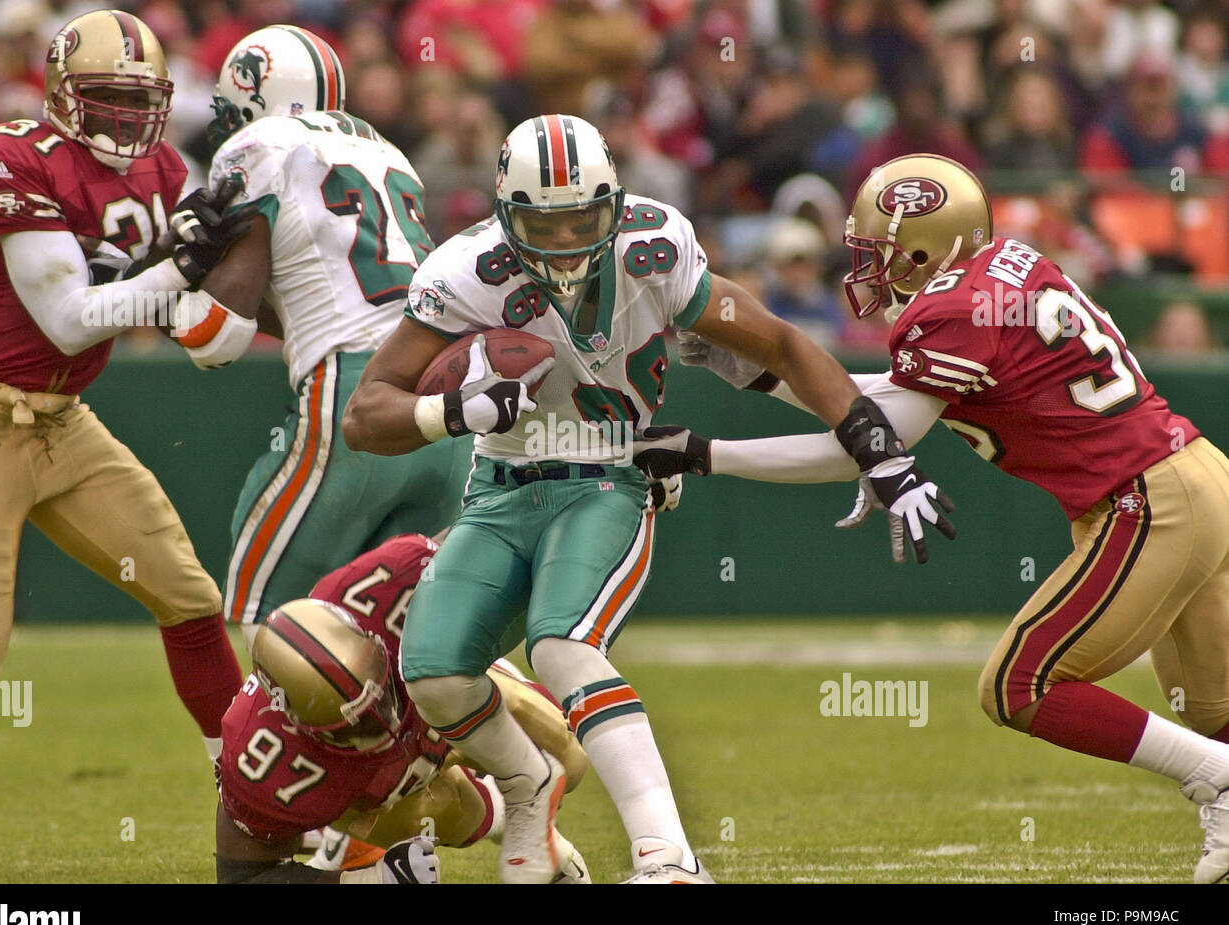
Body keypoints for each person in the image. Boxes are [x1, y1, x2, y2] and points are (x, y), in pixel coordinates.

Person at [341, 114, 955, 883]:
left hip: (611, 470)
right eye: (544, 222)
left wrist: (878, 452)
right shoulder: (467, 271)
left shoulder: (654, 249)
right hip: (499, 483)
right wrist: (451, 412)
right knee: (432, 673)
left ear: (616, 205)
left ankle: (669, 858)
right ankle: (529, 787)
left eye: (582, 219)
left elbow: (782, 348)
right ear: (505, 216)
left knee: (564, 646)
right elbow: (365, 416)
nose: (565, 241)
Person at [636, 153, 1229, 884]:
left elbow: (865, 443)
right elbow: (874, 411)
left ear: (924, 247)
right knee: (1211, 709)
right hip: (1198, 476)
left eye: (878, 255)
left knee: (1019, 685)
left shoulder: (948, 313)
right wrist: (756, 371)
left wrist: (704, 452)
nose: (868, 272)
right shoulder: (1000, 271)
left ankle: (1216, 782)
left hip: (1145, 502)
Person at [0, 10, 254, 876]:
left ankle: (245, 788)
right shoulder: (10, 155)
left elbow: (169, 302)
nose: (125, 120)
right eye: (107, 100)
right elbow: (70, 320)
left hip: (65, 419)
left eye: (139, 101)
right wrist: (177, 275)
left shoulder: (163, 166)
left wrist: (206, 309)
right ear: (65, 97)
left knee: (187, 593)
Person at [190, 25, 472, 647]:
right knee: (412, 645)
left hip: (358, 400)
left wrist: (179, 283)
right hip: (448, 397)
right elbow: (312, 295)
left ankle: (253, 747)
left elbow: (214, 342)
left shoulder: (258, 145)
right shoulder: (387, 150)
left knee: (272, 620)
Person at [216, 532, 590, 884]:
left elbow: (483, 545)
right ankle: (509, 819)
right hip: (384, 786)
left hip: (437, 692)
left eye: (378, 698)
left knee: (570, 760)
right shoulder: (265, 762)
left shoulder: (387, 584)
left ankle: (505, 730)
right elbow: (244, 876)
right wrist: (369, 880)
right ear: (296, 722)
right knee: (464, 815)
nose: (382, 723)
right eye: (354, 726)